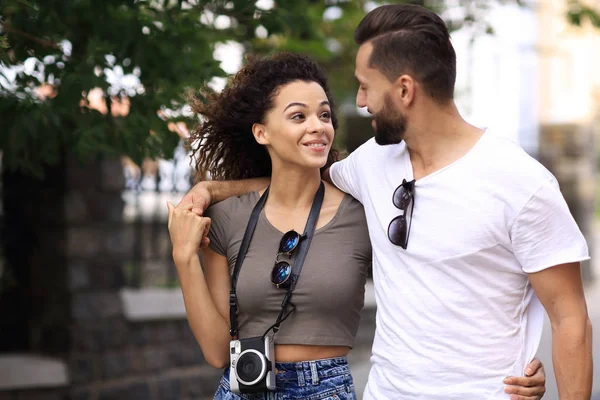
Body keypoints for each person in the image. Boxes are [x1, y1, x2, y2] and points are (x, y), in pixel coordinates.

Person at [173, 52, 549, 399]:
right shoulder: (226, 218)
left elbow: (444, 281)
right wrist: (184, 256)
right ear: (261, 133)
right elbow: (216, 351)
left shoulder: (364, 209)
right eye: (298, 116)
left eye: (324, 115)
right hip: (240, 389)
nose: (318, 127)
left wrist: (513, 363)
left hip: (328, 389)